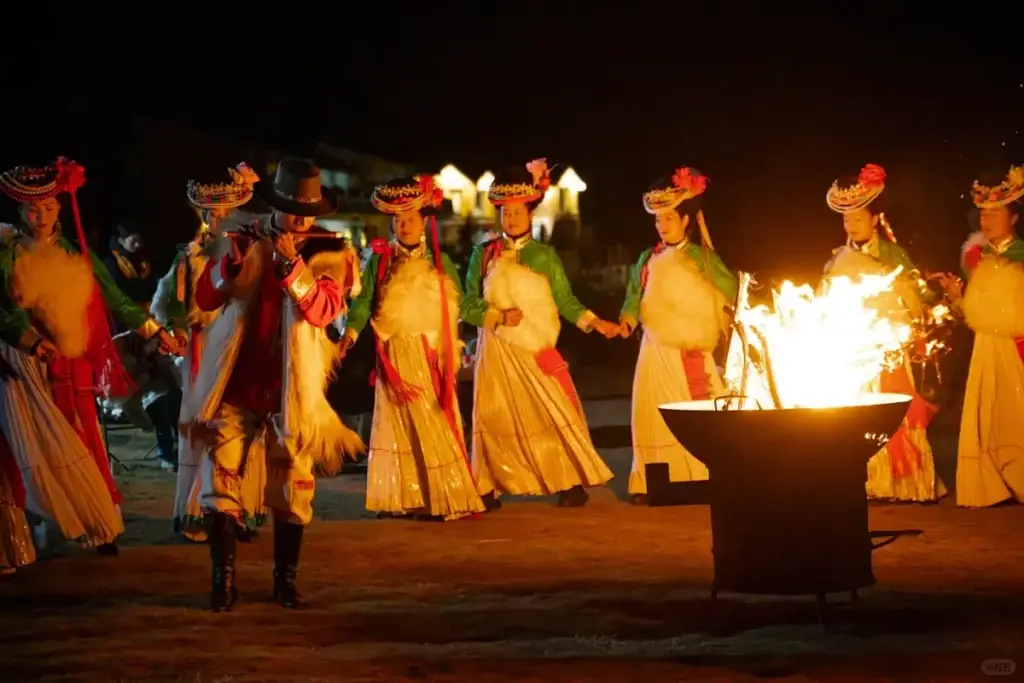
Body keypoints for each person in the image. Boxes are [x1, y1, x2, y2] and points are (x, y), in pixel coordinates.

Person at [182, 158, 364, 611]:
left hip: (293, 390)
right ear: (275, 205)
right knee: (218, 480)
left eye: (307, 211)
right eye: (289, 208)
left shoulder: (330, 252)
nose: (300, 219)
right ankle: (223, 582)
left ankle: (286, 580)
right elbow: (204, 298)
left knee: (293, 485)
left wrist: (290, 264)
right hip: (238, 381)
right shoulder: (243, 240)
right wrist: (229, 266)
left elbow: (322, 311)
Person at [0, 158, 179, 556]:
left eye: (48, 207)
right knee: (25, 443)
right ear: (20, 211)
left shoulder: (75, 252)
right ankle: (32, 523)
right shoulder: (7, 252)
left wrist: (155, 331)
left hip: (69, 361)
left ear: (59, 209)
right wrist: (26, 338)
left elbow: (116, 300)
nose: (40, 215)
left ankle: (100, 519)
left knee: (85, 438)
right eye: (33, 208)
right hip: (22, 361)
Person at [461, 159, 618, 509]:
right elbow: (465, 303)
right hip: (496, 349)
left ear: (530, 213)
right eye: (505, 212)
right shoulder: (483, 255)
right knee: (491, 415)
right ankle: (486, 485)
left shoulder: (545, 256)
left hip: (533, 350)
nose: (511, 219)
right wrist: (497, 315)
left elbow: (565, 301)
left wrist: (596, 323)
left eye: (518, 212)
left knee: (549, 411)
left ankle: (568, 480)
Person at [341, 175, 484, 521]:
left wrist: (492, 316)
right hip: (392, 352)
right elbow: (363, 305)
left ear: (423, 221)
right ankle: (398, 497)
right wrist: (350, 332)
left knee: (431, 418)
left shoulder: (440, 260)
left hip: (428, 352)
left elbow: (461, 304)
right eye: (397, 220)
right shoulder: (379, 260)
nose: (403, 225)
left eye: (410, 219)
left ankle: (443, 495)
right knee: (394, 423)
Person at [153, 163, 267, 542]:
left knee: (241, 424)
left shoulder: (252, 249)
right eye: (209, 212)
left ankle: (238, 508)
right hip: (204, 350)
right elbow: (172, 304)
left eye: (222, 211)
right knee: (206, 424)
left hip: (242, 349)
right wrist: (178, 331)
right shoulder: (189, 256)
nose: (216, 218)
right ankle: (198, 510)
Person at [823, 163, 946, 503]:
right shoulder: (837, 261)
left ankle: (906, 484)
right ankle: (866, 481)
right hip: (854, 351)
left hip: (888, 348)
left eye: (859, 218)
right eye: (847, 219)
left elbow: (917, 297)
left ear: (875, 218)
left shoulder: (895, 255)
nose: (852, 225)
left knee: (894, 413)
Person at [617, 168, 738, 504]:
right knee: (649, 413)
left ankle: (702, 477)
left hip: (690, 351)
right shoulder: (648, 258)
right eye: (658, 219)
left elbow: (731, 291)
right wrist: (627, 320)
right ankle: (647, 482)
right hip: (653, 349)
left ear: (686, 220)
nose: (662, 225)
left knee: (696, 411)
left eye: (669, 218)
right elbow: (633, 295)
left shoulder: (702, 258)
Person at [943, 165, 1024, 507]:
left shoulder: (1020, 257)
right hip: (985, 347)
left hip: (1015, 347)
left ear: (1014, 217)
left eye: (995, 213)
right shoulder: (976, 257)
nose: (987, 221)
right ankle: (991, 483)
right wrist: (955, 297)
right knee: (985, 414)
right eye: (983, 214)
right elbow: (978, 313)